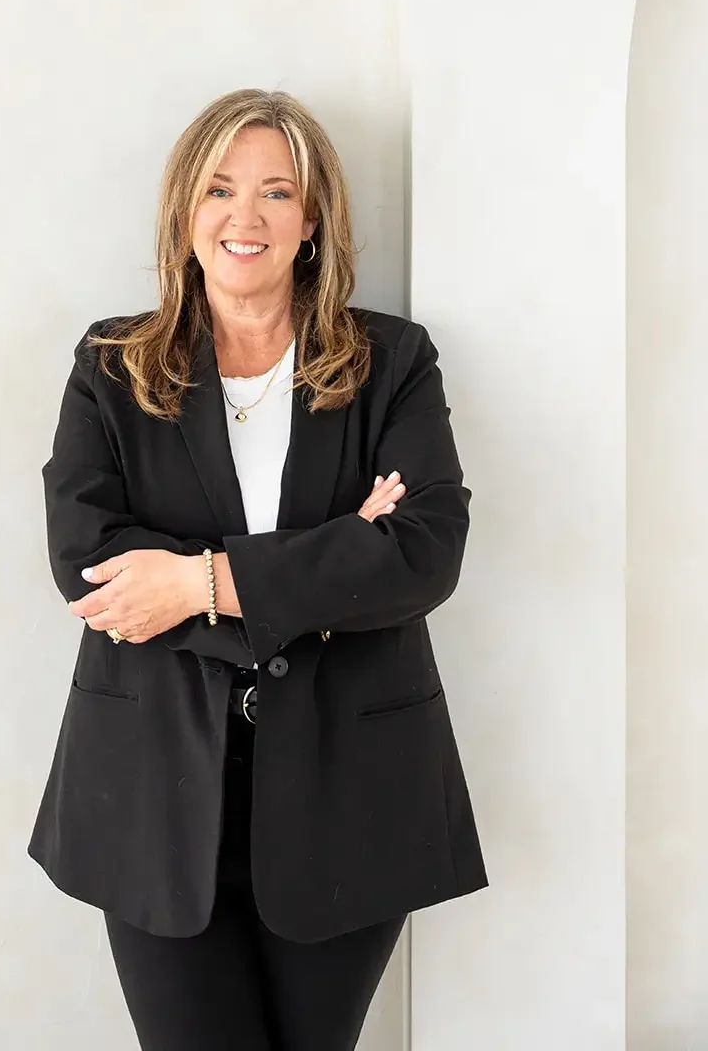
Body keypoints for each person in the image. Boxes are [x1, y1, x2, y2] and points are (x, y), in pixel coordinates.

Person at [28, 88, 487, 1051]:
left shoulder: (392, 362)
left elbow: (420, 555)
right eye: (220, 190)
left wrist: (193, 583)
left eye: (277, 192)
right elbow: (91, 570)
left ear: (310, 221)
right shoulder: (110, 367)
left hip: (349, 786)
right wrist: (332, 553)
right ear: (183, 213)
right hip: (153, 791)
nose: (247, 217)